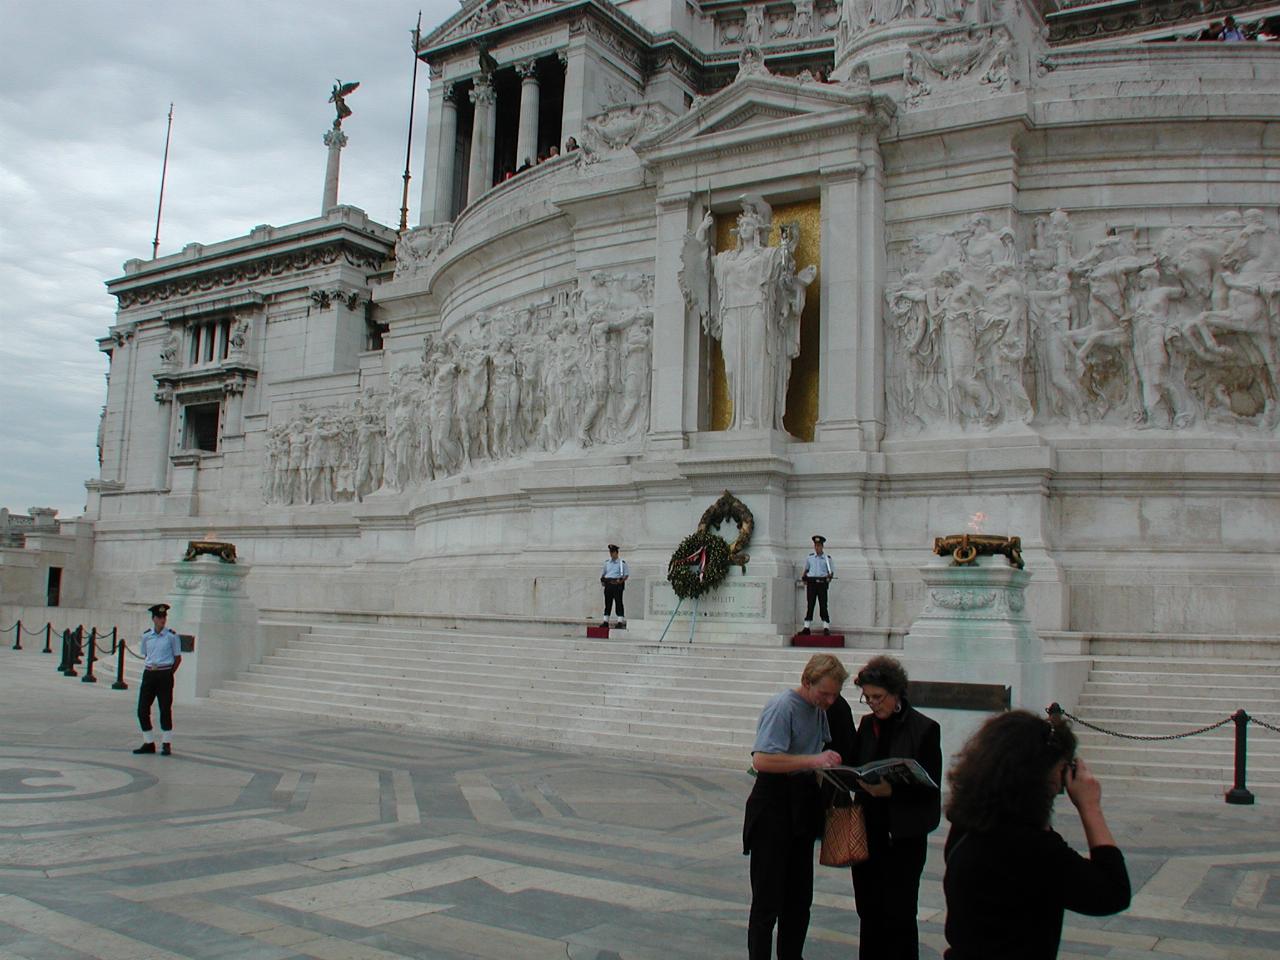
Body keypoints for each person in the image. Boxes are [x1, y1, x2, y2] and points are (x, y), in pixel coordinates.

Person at [941, 710, 1131, 959]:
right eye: (1062, 768)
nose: (1063, 780)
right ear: (1036, 774)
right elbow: (1112, 893)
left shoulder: (970, 824)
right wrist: (1090, 807)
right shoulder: (1031, 847)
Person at [826, 656, 941, 960]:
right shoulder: (866, 724)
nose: (873, 704)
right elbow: (855, 763)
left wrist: (893, 790)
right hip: (868, 831)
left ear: (896, 693)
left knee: (900, 915)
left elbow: (931, 790)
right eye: (867, 697)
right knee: (869, 911)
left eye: (878, 697)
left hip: (902, 837)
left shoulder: (925, 729)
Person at [745, 653, 847, 959]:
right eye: (824, 693)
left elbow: (819, 750)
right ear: (806, 682)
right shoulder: (783, 707)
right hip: (773, 805)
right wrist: (813, 760)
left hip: (801, 806)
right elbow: (762, 759)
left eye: (834, 694)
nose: (829, 700)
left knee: (800, 899)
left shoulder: (819, 709)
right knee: (767, 900)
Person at [132, 603, 182, 755]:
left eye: (164, 616)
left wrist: (169, 673)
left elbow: (177, 658)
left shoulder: (171, 636)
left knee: (165, 708)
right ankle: (148, 742)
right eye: (159, 617)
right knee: (142, 709)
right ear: (153, 619)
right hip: (149, 673)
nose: (162, 619)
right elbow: (146, 654)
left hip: (164, 674)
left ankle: (166, 742)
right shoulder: (147, 636)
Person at [801, 534, 834, 635]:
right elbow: (806, 570)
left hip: (821, 583)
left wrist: (829, 577)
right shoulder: (810, 558)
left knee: (823, 605)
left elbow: (831, 572)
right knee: (810, 605)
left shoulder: (827, 559)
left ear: (822, 546)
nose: (817, 547)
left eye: (819, 545)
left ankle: (826, 626)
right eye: (815, 545)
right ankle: (806, 627)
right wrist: (804, 578)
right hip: (811, 583)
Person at [600, 544, 629, 629]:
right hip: (608, 584)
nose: (611, 554)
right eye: (610, 552)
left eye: (613, 552)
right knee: (607, 603)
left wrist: (620, 581)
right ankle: (606, 621)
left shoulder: (622, 563)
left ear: (617, 553)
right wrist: (602, 580)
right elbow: (604, 573)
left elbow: (626, 575)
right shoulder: (607, 563)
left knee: (618, 602)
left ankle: (620, 621)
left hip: (617, 584)